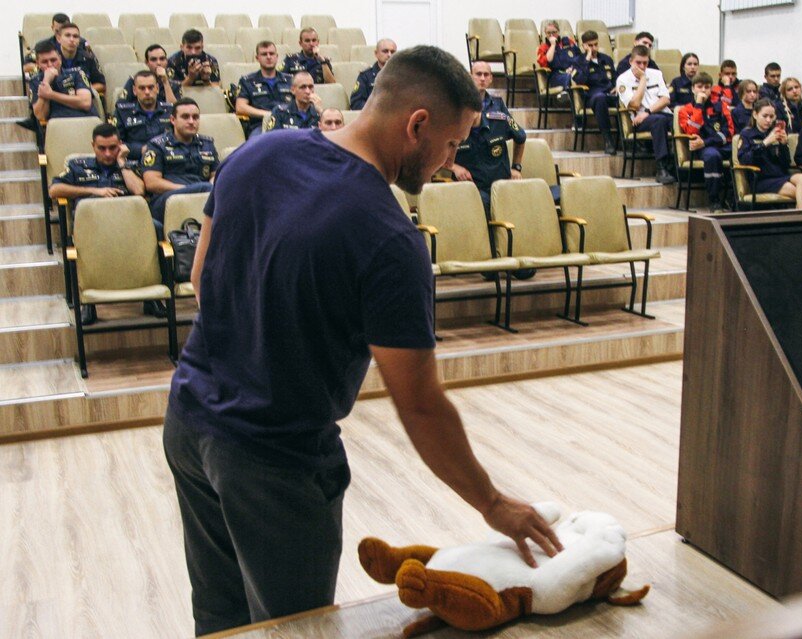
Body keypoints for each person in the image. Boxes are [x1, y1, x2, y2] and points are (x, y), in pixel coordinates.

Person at [163, 44, 562, 636]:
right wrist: (492, 502)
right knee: (294, 628)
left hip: (189, 421)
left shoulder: (259, 152)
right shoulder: (388, 237)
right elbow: (421, 406)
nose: (450, 159)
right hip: (275, 461)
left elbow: (201, 278)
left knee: (220, 619)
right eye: (452, 144)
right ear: (417, 125)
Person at [49, 123, 146, 325]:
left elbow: (139, 191)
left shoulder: (130, 165)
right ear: (93, 146)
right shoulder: (78, 166)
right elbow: (54, 190)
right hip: (91, 227)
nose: (108, 153)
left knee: (155, 230)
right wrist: (93, 191)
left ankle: (151, 299)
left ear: (120, 145)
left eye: (113, 147)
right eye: (102, 148)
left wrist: (122, 162)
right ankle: (87, 304)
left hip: (128, 226)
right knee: (81, 245)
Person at [451, 61, 527, 212]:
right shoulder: (455, 107)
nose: (482, 78)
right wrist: (454, 167)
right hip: (470, 186)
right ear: (469, 76)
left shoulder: (498, 107)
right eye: (478, 74)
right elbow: (435, 149)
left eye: (486, 75)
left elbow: (520, 137)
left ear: (491, 78)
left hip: (501, 184)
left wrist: (516, 167)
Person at [141, 98, 219, 227]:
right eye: (185, 117)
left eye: (195, 117)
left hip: (202, 197)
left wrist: (210, 185)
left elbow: (215, 175)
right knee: (207, 188)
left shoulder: (207, 144)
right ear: (172, 120)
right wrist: (189, 190)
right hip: (167, 199)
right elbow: (152, 183)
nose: (191, 121)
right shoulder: (157, 145)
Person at [616, 45, 676, 184]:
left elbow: (666, 99)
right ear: (631, 61)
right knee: (658, 121)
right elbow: (635, 104)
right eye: (638, 62)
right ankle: (661, 168)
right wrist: (643, 79)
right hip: (639, 121)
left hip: (655, 114)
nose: (642, 66)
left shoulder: (656, 74)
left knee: (680, 121)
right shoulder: (623, 79)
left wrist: (648, 112)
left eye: (645, 63)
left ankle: (678, 167)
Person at [677, 72, 734, 213]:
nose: (703, 90)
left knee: (745, 151)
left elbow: (729, 132)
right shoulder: (685, 110)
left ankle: (734, 198)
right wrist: (699, 105)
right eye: (699, 87)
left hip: (720, 145)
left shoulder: (721, 106)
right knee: (712, 156)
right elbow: (691, 132)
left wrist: (706, 142)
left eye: (707, 87)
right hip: (702, 150)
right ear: (693, 89)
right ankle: (714, 199)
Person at [738, 98, 802, 209]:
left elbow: (786, 163)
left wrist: (783, 145)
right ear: (755, 115)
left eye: (771, 117)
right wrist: (765, 143)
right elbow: (744, 160)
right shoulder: (747, 134)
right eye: (765, 116)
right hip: (761, 179)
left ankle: (800, 219)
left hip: (780, 175)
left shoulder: (775, 132)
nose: (768, 120)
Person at [235, 41, 293, 137]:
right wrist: (268, 114)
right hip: (260, 125)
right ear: (257, 58)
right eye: (264, 54)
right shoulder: (247, 81)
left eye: (271, 54)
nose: (269, 57)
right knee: (258, 144)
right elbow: (240, 107)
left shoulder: (290, 80)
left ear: (277, 56)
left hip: (288, 123)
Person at [29, 40, 97, 122]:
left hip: (85, 119)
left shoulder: (77, 73)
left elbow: (86, 103)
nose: (50, 65)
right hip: (58, 125)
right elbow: (41, 115)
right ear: (38, 64)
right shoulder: (35, 81)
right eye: (44, 62)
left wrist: (51, 95)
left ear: (60, 59)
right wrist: (46, 82)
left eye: (53, 60)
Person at [114, 70, 174, 161]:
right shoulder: (122, 112)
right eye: (142, 88)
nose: (147, 92)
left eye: (151, 87)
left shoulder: (170, 111)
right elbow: (115, 143)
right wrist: (140, 150)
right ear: (134, 90)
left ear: (157, 88)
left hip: (168, 161)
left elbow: (181, 139)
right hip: (136, 162)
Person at [574, 30, 618, 155]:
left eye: (595, 44)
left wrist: (616, 87)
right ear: (583, 46)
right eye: (590, 45)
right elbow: (580, 80)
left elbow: (615, 78)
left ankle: (635, 142)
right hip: (591, 97)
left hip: (610, 94)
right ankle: (608, 139)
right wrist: (587, 60)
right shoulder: (578, 61)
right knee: (600, 98)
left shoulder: (606, 59)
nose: (593, 48)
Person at [23, 13, 90, 75]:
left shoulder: (82, 43)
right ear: (52, 28)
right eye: (57, 31)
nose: (59, 35)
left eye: (64, 31)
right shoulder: (44, 45)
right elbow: (26, 67)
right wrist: (44, 67)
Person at [52, 23, 105, 94]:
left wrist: (80, 91)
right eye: (67, 35)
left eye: (75, 36)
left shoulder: (88, 58)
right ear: (58, 38)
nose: (71, 39)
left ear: (79, 40)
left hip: (84, 100)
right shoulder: (51, 59)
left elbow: (101, 84)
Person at [349, 39, 397, 110]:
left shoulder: (403, 75)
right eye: (385, 51)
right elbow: (356, 103)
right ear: (376, 53)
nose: (389, 55)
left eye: (392, 52)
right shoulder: (365, 76)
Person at [536, 20, 580, 91]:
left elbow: (579, 58)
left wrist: (573, 68)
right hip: (556, 76)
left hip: (572, 71)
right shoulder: (543, 47)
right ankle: (566, 98)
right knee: (569, 78)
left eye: (554, 32)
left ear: (558, 31)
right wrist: (553, 45)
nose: (551, 35)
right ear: (545, 34)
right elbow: (546, 61)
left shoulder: (568, 42)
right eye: (548, 33)